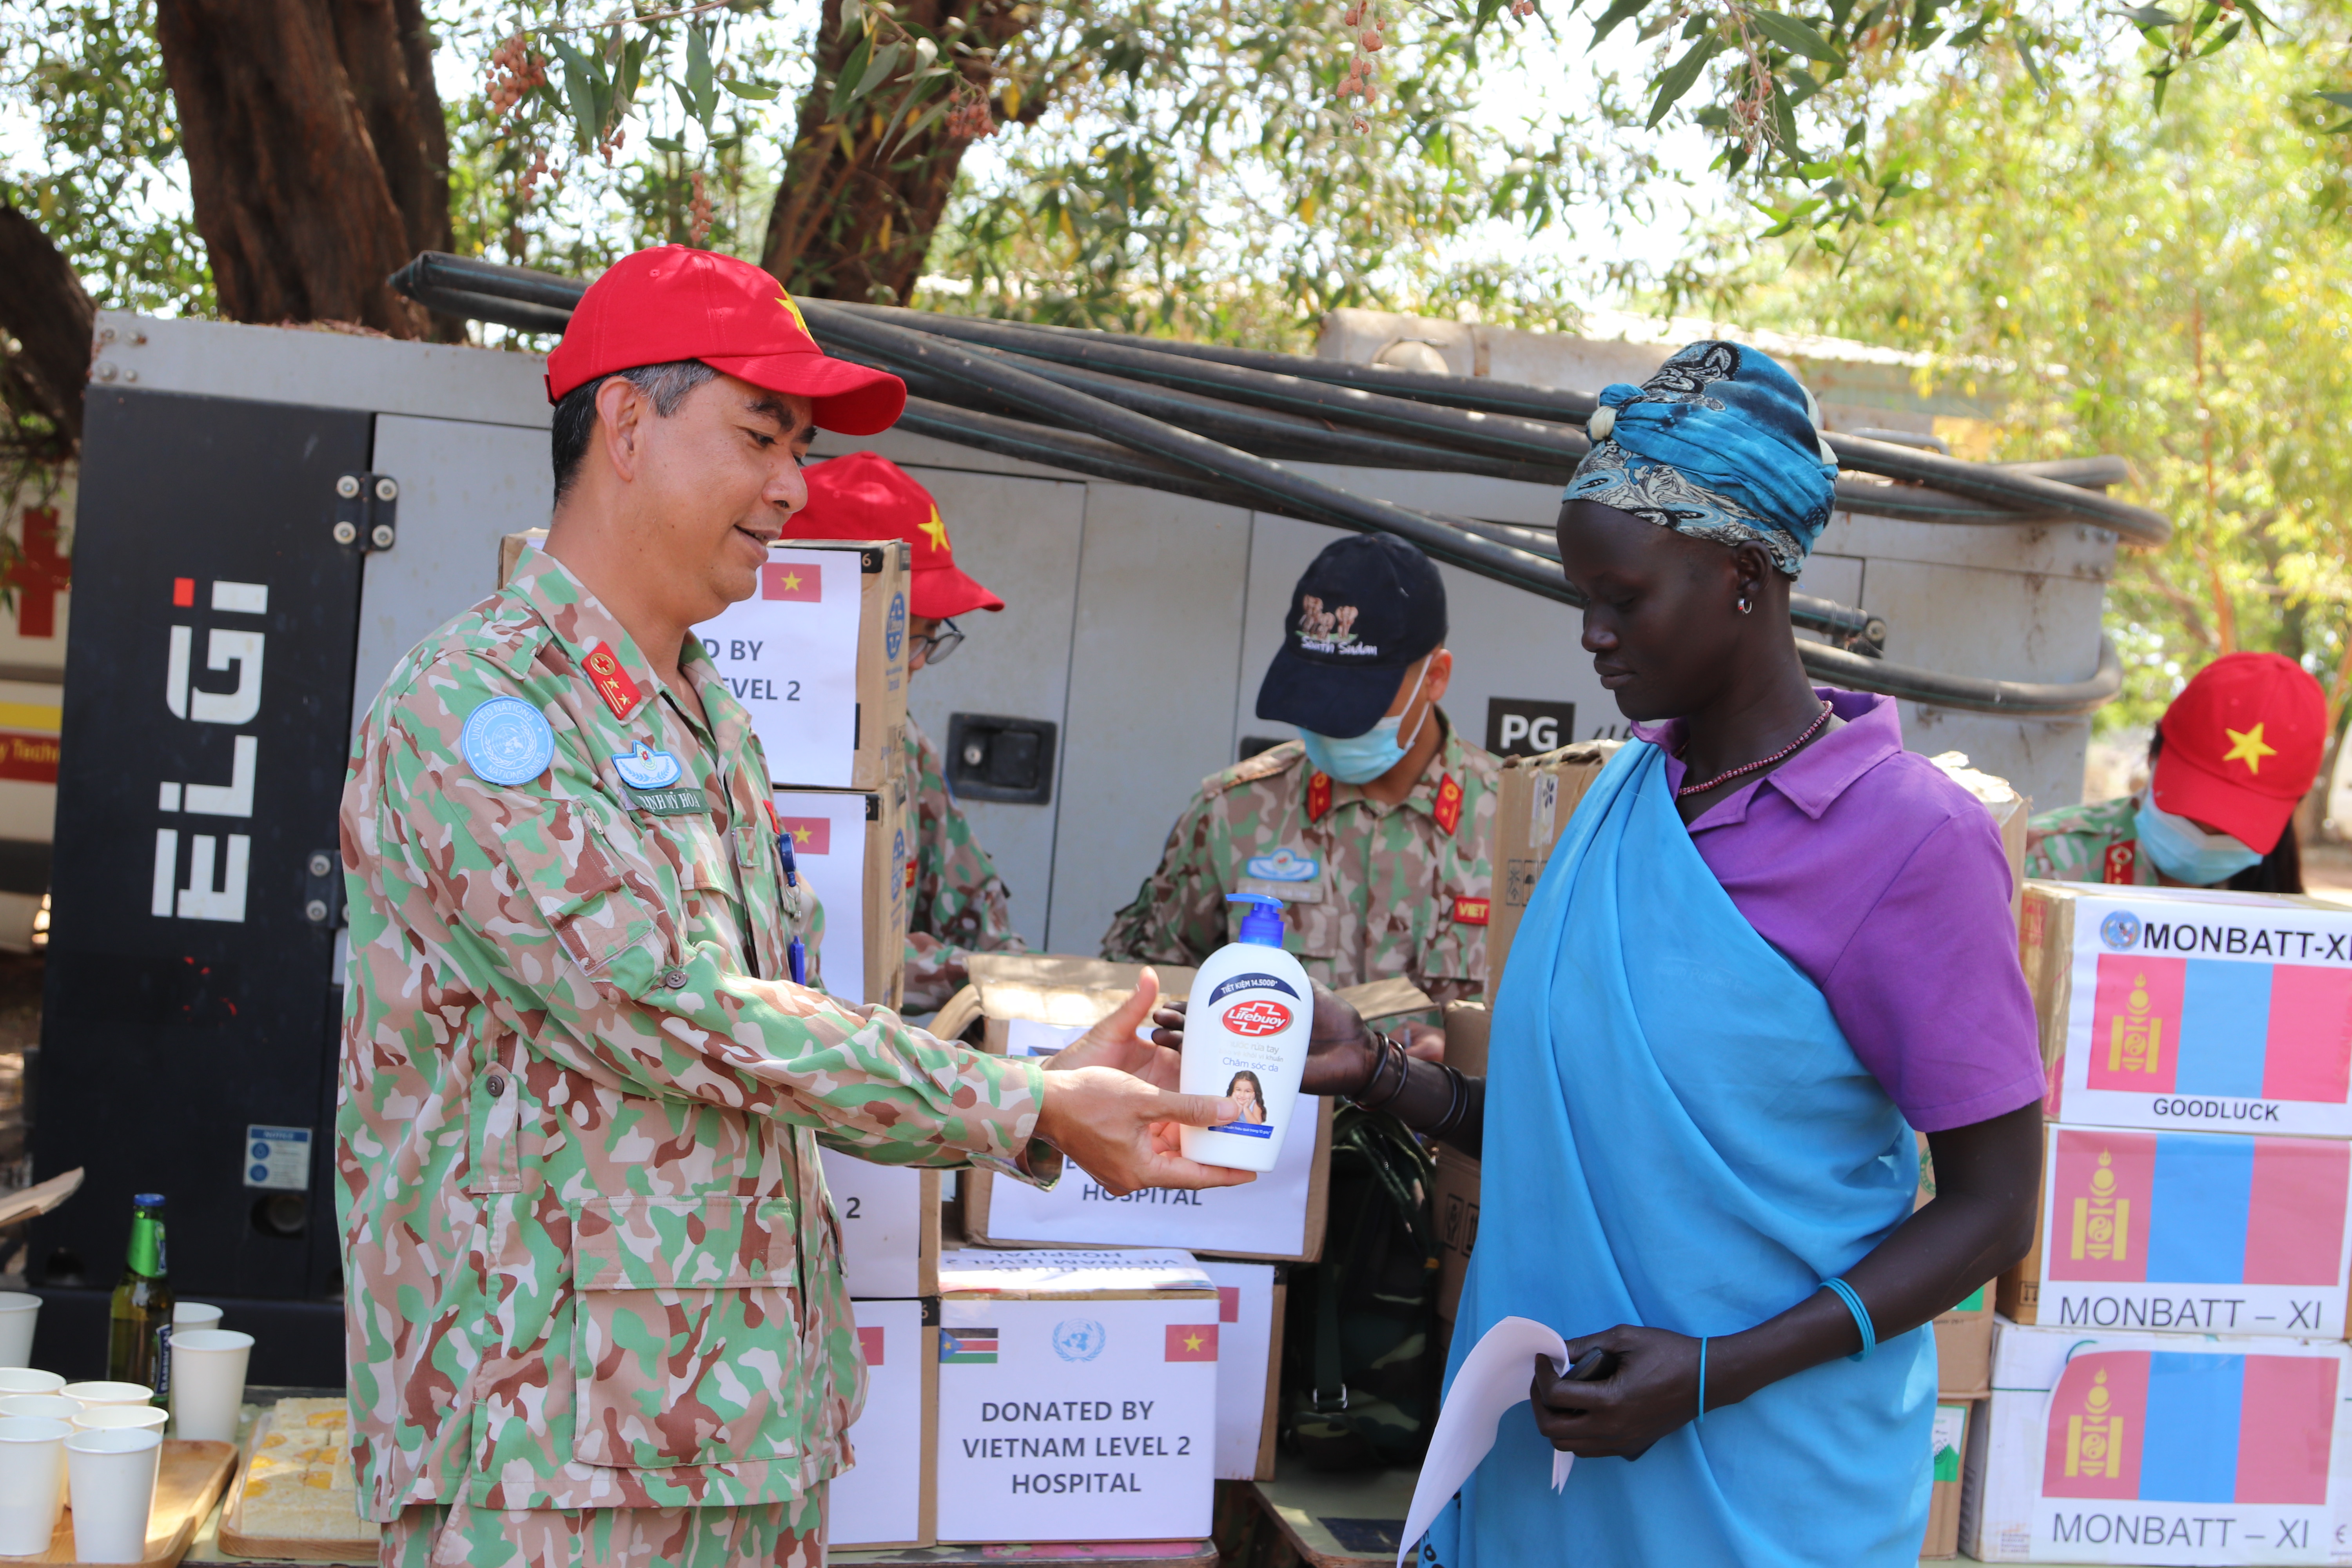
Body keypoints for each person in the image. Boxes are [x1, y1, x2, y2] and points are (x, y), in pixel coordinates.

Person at [338, 245, 1248, 1568]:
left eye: (801, 447)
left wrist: (1031, 1076)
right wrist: (1026, 1106)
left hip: (730, 1434)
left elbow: (772, 1040)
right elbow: (672, 1012)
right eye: (763, 435)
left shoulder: (706, 719)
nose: (793, 487)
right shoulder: (483, 714)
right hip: (545, 1460)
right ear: (629, 424)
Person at [1199, 343, 2046, 1565]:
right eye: (1578, 594)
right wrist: (1380, 1072)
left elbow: (1991, 1206)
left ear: (1744, 577)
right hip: (1544, 1467)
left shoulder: (1907, 840)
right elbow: (1587, 1137)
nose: (1590, 634)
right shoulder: (1620, 798)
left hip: (1755, 1484)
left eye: (1623, 595)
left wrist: (1714, 1371)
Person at [1102, 533, 1499, 1013]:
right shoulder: (1233, 811)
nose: (1330, 719)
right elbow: (1142, 986)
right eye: (1316, 694)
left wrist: (1461, 1062)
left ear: (1435, 677)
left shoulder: (1514, 826)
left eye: (1358, 701)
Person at [785, 451, 1031, 1013]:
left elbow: (979, 918)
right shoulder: (707, 735)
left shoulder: (904, 746)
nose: (916, 661)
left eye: (928, 636)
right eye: (904, 632)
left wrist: (1015, 994)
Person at [2026, 650, 2324, 893]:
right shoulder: (2043, 864)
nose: (2204, 839)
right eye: (2193, 811)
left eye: (2233, 827)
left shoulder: (2291, 919)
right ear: (2153, 756)